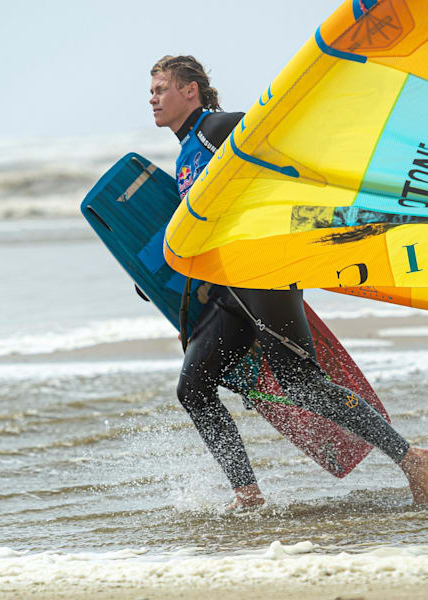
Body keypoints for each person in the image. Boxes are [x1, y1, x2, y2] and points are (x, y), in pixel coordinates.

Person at [149, 54, 428, 508]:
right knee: (194, 389)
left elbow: (273, 147)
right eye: (152, 90)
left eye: (161, 88)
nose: (152, 98)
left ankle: (412, 458)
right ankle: (248, 495)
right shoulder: (186, 153)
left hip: (263, 274)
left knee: (301, 383)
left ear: (190, 91)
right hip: (229, 291)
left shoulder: (215, 129)